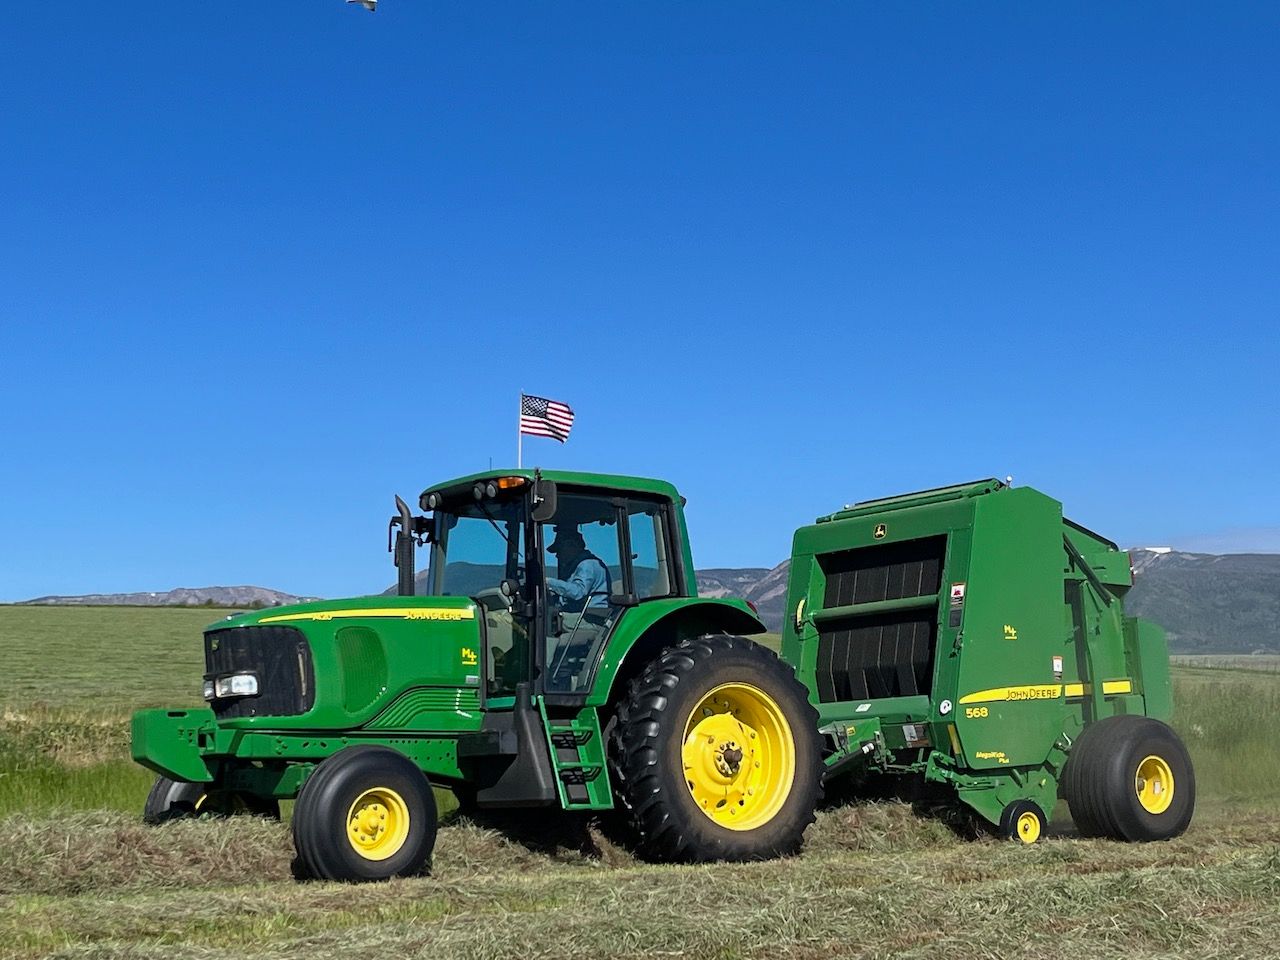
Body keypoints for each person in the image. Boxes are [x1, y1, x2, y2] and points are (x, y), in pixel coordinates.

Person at [545, 527, 611, 613]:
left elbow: (578, 592)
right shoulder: (578, 566)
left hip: (592, 616)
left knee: (551, 619)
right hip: (583, 613)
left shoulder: (587, 564)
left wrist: (548, 582)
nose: (557, 555)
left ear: (571, 545)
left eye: (559, 550)